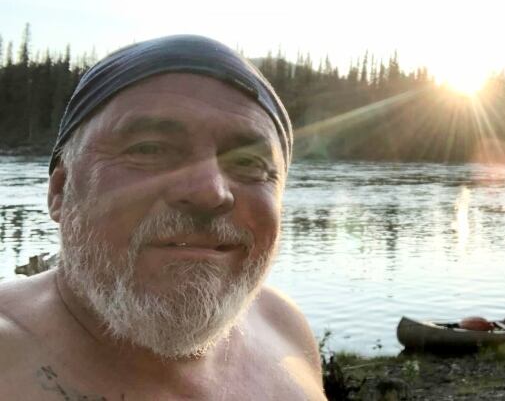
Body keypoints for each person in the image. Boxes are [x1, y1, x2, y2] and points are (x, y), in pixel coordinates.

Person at [0, 35, 325, 400]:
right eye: (150, 149)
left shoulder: (283, 325)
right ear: (60, 191)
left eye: (249, 163)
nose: (209, 192)